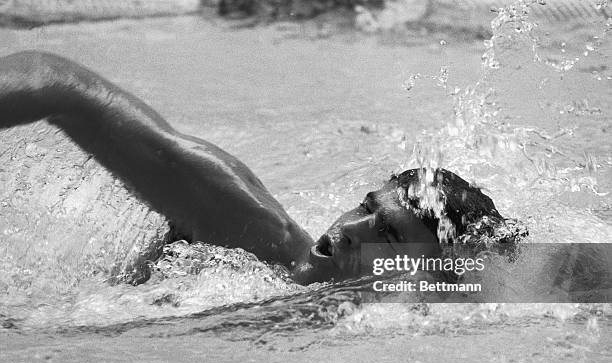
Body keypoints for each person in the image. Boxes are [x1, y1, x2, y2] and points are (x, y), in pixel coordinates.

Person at [0, 51, 517, 285]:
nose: (350, 229)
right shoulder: (253, 231)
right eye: (366, 207)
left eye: (388, 235)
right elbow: (59, 82)